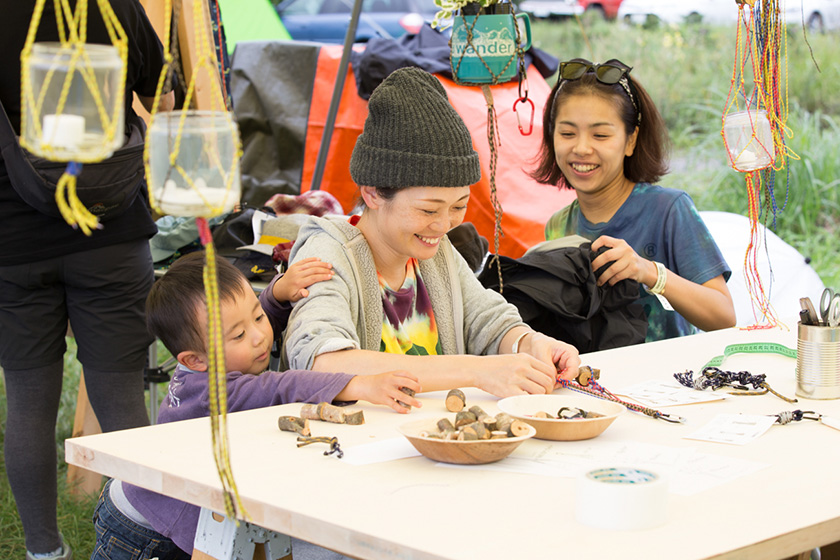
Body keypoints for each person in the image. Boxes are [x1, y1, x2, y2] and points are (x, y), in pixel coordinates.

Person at [91, 251, 421, 559]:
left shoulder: (215, 356)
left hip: (163, 508)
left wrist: (276, 295)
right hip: (140, 531)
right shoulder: (212, 392)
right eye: (238, 336)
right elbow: (279, 386)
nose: (259, 336)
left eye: (259, 317)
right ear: (195, 360)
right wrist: (359, 383)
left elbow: (247, 323)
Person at [282, 67, 581, 397]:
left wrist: (530, 343)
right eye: (428, 210)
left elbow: (487, 320)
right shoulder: (327, 252)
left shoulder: (435, 252)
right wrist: (475, 371)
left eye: (458, 206)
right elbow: (320, 360)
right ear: (372, 193)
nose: (443, 225)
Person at [0, 3, 175, 559]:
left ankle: (43, 551)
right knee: (122, 399)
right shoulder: (116, 5)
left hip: (12, 239)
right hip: (110, 230)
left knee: (28, 403)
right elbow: (164, 100)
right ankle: (147, 543)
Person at [532, 58, 736, 341]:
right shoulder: (557, 227)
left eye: (600, 135)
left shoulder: (668, 210)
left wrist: (649, 272)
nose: (581, 148)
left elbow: (724, 316)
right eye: (567, 133)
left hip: (672, 370)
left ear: (630, 140)